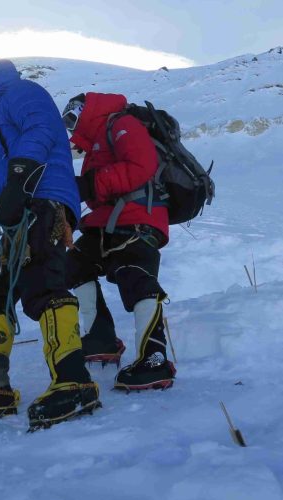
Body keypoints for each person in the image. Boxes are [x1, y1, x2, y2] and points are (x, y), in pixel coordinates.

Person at [0, 60, 101, 430]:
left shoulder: (18, 93)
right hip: (25, 206)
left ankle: (74, 380)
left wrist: (19, 179)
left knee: (42, 284)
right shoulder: (0, 116)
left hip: (44, 202)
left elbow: (42, 129)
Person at [62, 92, 176, 391]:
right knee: (74, 263)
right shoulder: (97, 144)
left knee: (134, 275)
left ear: (86, 111)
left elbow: (141, 165)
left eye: (72, 118)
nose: (71, 127)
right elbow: (98, 189)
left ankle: (155, 358)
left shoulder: (122, 124)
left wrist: (90, 183)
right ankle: (100, 336)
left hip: (139, 217)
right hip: (109, 221)